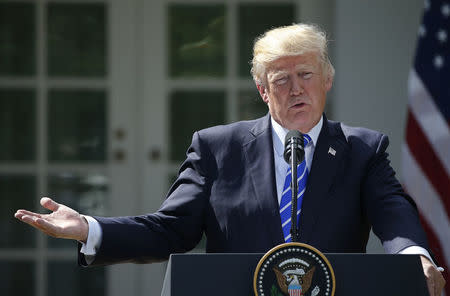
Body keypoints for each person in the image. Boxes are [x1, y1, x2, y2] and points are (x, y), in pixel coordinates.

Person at [15, 23, 445, 295]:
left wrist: (414, 257)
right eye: (282, 80)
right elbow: (171, 230)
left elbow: (393, 213)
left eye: (306, 75)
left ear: (327, 80)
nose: (296, 89)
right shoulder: (217, 148)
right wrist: (89, 228)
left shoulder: (363, 149)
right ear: (263, 91)